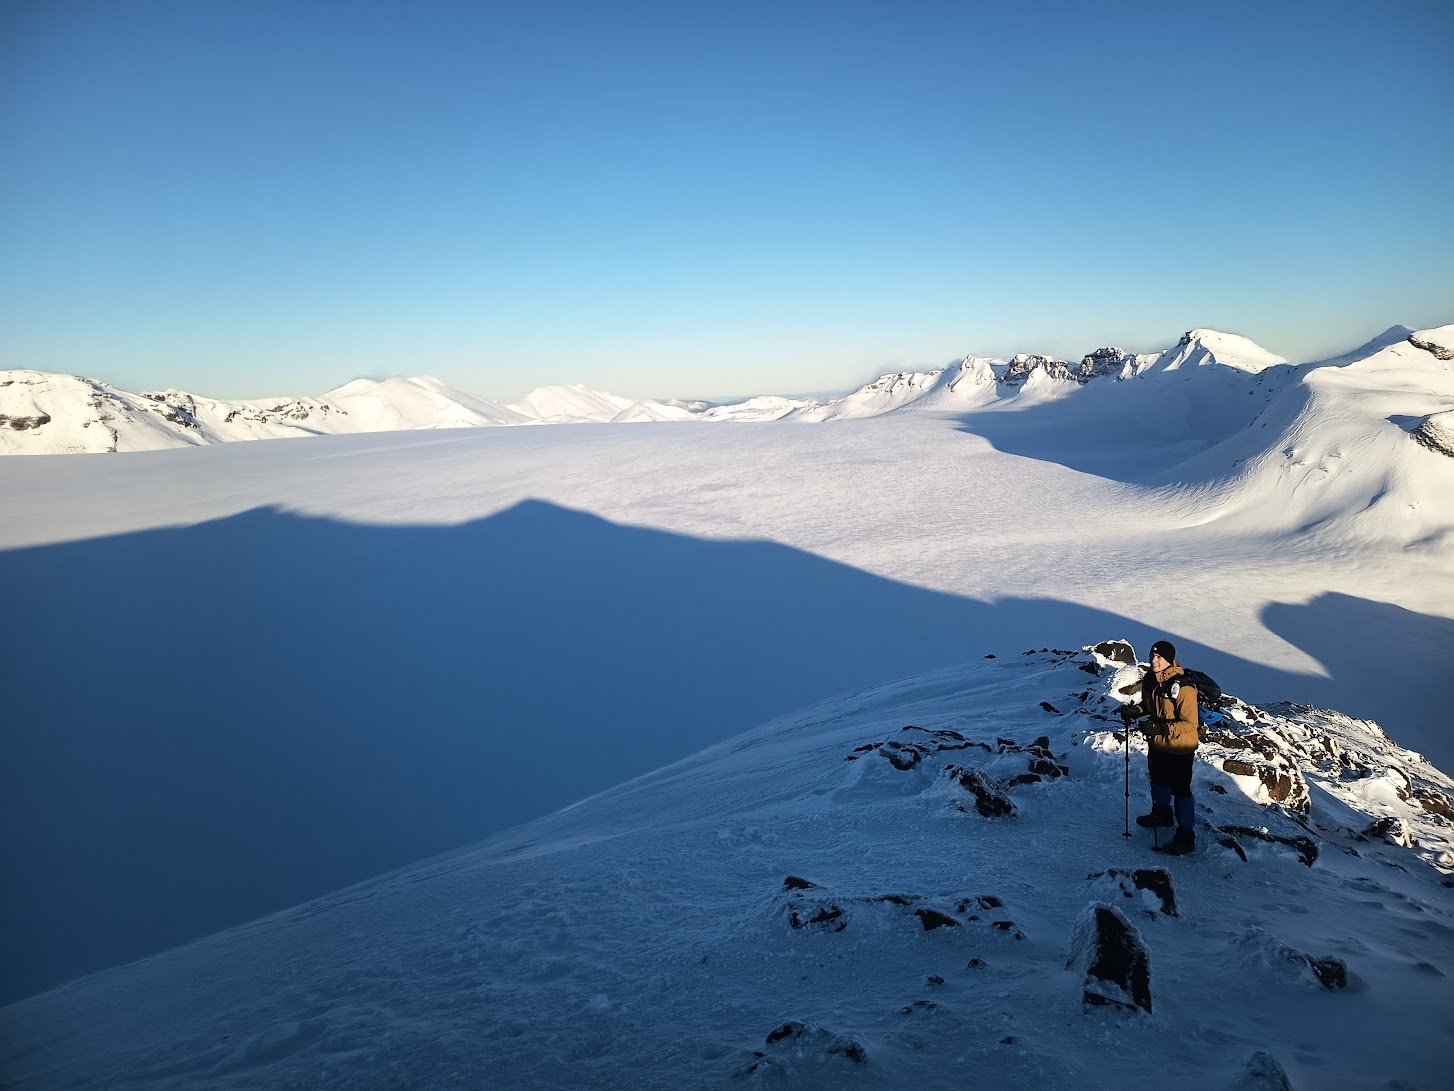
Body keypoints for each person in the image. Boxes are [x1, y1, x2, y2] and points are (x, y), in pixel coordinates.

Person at [1134, 639, 1199, 855]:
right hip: (1158, 744)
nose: (1154, 660)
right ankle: (1162, 815)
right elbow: (1151, 705)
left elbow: (1190, 724)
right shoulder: (1151, 680)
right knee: (1158, 779)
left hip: (1181, 747)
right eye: (1152, 655)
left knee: (1181, 790)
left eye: (1159, 657)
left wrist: (1160, 729)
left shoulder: (1184, 687)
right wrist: (1135, 711)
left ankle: (1186, 836)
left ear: (1169, 659)